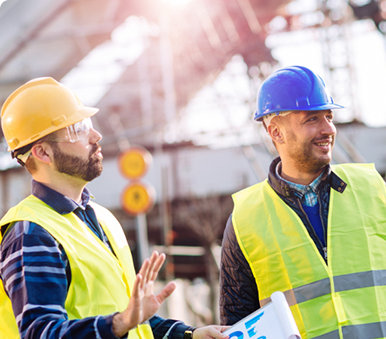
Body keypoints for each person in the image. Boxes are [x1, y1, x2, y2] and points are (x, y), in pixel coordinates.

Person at [0, 77, 229, 339]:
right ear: (42, 153)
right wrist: (120, 323)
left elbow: (130, 321)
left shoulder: (102, 219)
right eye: (78, 128)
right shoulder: (32, 232)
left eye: (89, 125)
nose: (96, 136)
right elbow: (41, 333)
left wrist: (190, 335)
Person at [219, 66, 386, 338]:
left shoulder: (373, 188)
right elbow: (239, 322)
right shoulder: (244, 220)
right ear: (275, 132)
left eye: (329, 116)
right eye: (312, 119)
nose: (328, 129)